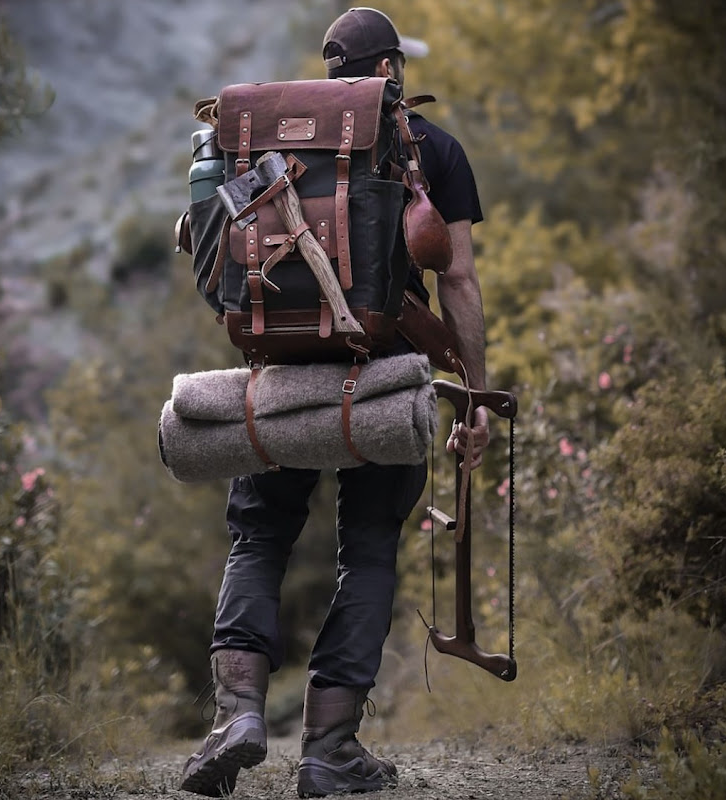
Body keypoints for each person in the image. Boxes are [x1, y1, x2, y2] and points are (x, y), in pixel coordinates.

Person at [180, 7, 490, 798]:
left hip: (281, 371)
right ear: (391, 70)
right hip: (383, 376)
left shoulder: (269, 143)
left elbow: (208, 253)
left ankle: (238, 714)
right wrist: (475, 398)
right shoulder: (435, 150)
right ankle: (328, 751)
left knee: (258, 536)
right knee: (370, 548)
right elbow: (455, 278)